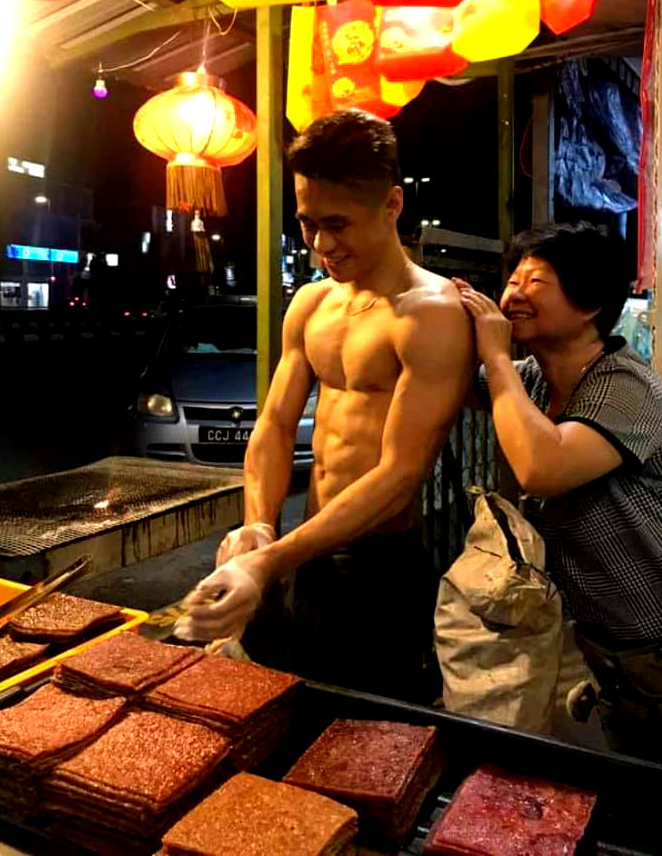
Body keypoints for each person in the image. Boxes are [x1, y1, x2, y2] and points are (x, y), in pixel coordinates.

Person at [175, 109, 474, 701]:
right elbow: (276, 425)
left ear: (392, 205)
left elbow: (401, 472)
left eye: (337, 225)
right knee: (280, 703)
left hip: (379, 564)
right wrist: (259, 528)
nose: (320, 246)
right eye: (309, 224)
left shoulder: (431, 314)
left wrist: (266, 563)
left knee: (371, 739)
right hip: (302, 546)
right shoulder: (312, 304)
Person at [456, 221, 662, 770]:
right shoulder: (532, 382)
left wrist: (497, 358)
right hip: (624, 644)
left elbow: (542, 466)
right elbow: (445, 375)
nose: (513, 293)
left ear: (589, 304)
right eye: (514, 277)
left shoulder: (626, 385)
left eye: (537, 281)